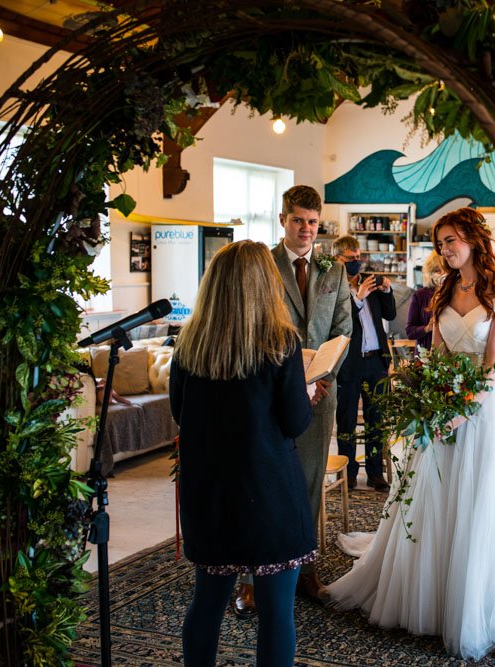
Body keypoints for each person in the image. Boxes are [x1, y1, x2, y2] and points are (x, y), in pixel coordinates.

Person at [326, 208, 495, 663]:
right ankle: (431, 595)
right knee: (433, 504)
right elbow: (437, 353)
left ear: (474, 240)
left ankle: (473, 603)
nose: (445, 250)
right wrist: (423, 399)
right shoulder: (442, 291)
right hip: (441, 409)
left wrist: (455, 416)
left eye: (452, 240)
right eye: (440, 243)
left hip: (488, 416)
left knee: (482, 509)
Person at [169, 240, 319, 665]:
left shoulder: (189, 344)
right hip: (267, 490)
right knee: (275, 614)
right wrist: (305, 391)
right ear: (264, 285)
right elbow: (294, 423)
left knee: (207, 604)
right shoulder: (280, 342)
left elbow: (181, 413)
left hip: (210, 491)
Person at [240, 185, 351, 611]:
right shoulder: (262, 265)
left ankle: (305, 570)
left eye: (312, 222)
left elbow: (344, 330)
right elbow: (252, 326)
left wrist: (321, 377)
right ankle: (251, 578)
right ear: (282, 219)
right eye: (298, 220)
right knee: (260, 486)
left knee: (307, 485)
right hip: (267, 397)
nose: (306, 229)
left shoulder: (333, 270)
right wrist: (285, 381)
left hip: (319, 394)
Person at [334, 235, 396, 492]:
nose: (356, 263)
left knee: (376, 418)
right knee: (346, 419)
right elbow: (340, 323)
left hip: (375, 361)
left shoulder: (370, 282)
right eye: (351, 259)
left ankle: (374, 472)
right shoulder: (333, 286)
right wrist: (357, 297)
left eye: (359, 258)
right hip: (350, 363)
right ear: (338, 259)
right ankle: (348, 472)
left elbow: (390, 314)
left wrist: (387, 290)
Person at [405, 251, 446, 350]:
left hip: (450, 356)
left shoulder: (456, 295)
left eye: (445, 269)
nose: (442, 274)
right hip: (425, 356)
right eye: (437, 270)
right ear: (430, 273)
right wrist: (426, 328)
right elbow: (409, 332)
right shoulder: (420, 295)